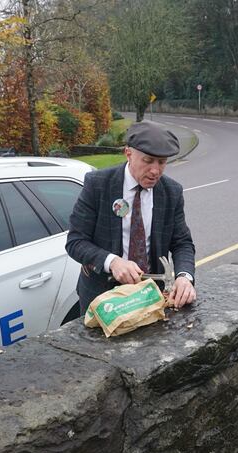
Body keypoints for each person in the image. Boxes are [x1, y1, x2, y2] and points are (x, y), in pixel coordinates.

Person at [66, 121, 197, 315]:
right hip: (103, 297)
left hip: (150, 296)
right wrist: (113, 262)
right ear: (128, 153)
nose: (155, 171)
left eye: (162, 162)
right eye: (148, 160)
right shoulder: (98, 184)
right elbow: (75, 242)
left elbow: (182, 243)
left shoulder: (172, 192)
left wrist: (184, 277)